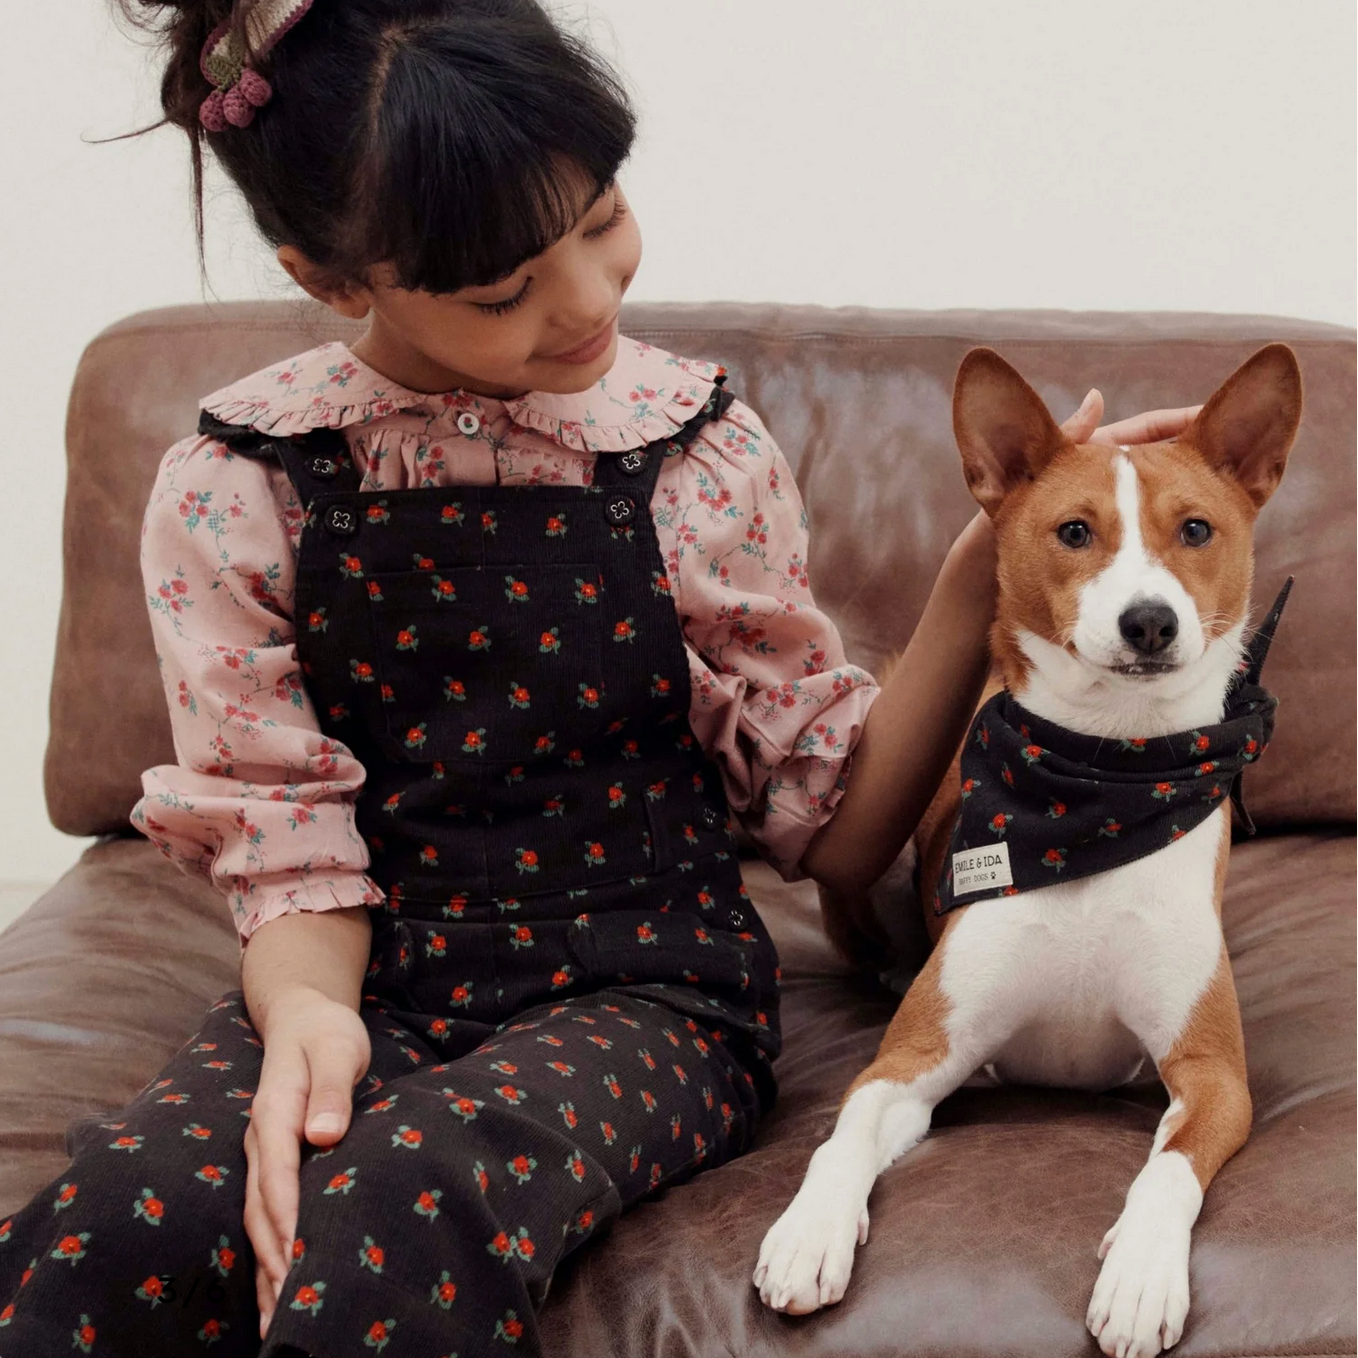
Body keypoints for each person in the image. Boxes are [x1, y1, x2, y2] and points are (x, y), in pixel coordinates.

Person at [0, 2, 1197, 1354]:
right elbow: (287, 847)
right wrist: (311, 1022)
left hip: (648, 993)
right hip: (370, 979)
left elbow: (842, 831)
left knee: (402, 1194)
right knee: (127, 1215)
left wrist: (979, 569)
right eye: (503, 287)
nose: (586, 299)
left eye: (599, 215)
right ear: (335, 281)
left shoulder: (690, 451)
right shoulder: (238, 485)